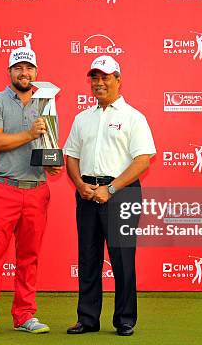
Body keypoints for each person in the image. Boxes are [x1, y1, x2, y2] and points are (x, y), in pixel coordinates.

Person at [63, 55, 156, 337]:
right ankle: (88, 318)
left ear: (118, 80)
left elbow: (143, 160)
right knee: (88, 258)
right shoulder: (82, 118)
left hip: (122, 194)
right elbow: (71, 156)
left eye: (105, 77)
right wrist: (80, 184)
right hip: (87, 193)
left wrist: (111, 188)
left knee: (122, 259)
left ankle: (125, 319)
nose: (99, 82)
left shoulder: (133, 117)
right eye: (95, 77)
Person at [0, 47, 62, 336]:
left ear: (36, 72)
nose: (24, 73)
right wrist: (29, 134)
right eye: (18, 68)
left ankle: (24, 315)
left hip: (36, 191)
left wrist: (53, 164)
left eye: (29, 68)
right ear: (9, 71)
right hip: (3, 188)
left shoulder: (45, 103)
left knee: (29, 257)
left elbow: (47, 144)